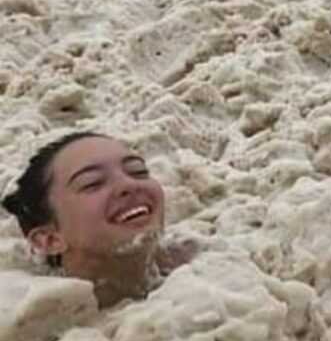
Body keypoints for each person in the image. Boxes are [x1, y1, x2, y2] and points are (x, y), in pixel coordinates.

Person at [2, 132, 192, 307]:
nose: (128, 184)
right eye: (92, 183)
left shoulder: (198, 263)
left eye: (138, 172)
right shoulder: (42, 323)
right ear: (50, 240)